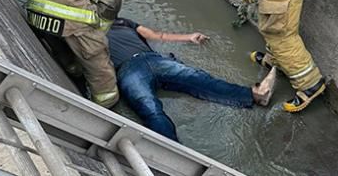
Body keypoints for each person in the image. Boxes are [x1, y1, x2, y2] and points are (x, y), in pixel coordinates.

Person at [107, 18, 277, 142]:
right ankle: (173, 152)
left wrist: (188, 37)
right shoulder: (88, 34)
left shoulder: (120, 21)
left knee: (198, 79)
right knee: (150, 108)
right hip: (128, 68)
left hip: (150, 60)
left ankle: (255, 95)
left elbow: (156, 35)